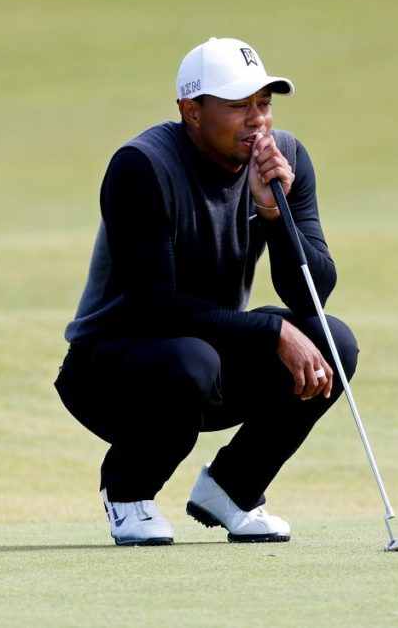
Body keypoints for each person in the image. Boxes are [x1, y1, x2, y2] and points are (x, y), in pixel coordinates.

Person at [54, 37, 358, 546]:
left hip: (204, 360)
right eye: (238, 106)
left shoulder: (284, 159)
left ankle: (232, 490)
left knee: (332, 341)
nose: (257, 120)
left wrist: (273, 212)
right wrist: (269, 330)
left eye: (264, 103)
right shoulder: (141, 166)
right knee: (191, 359)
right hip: (112, 372)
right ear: (190, 112)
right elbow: (154, 306)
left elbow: (311, 293)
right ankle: (128, 492)